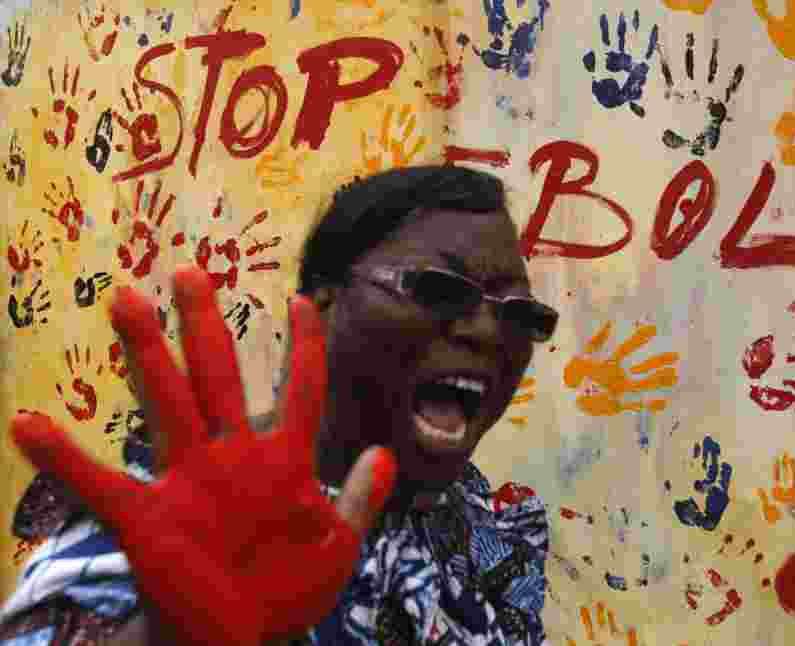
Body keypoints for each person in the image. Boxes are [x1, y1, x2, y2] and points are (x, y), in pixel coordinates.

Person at [0, 165, 559, 645]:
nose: (490, 332)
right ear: (322, 305)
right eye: (439, 289)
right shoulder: (161, 534)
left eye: (522, 315)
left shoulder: (483, 544)